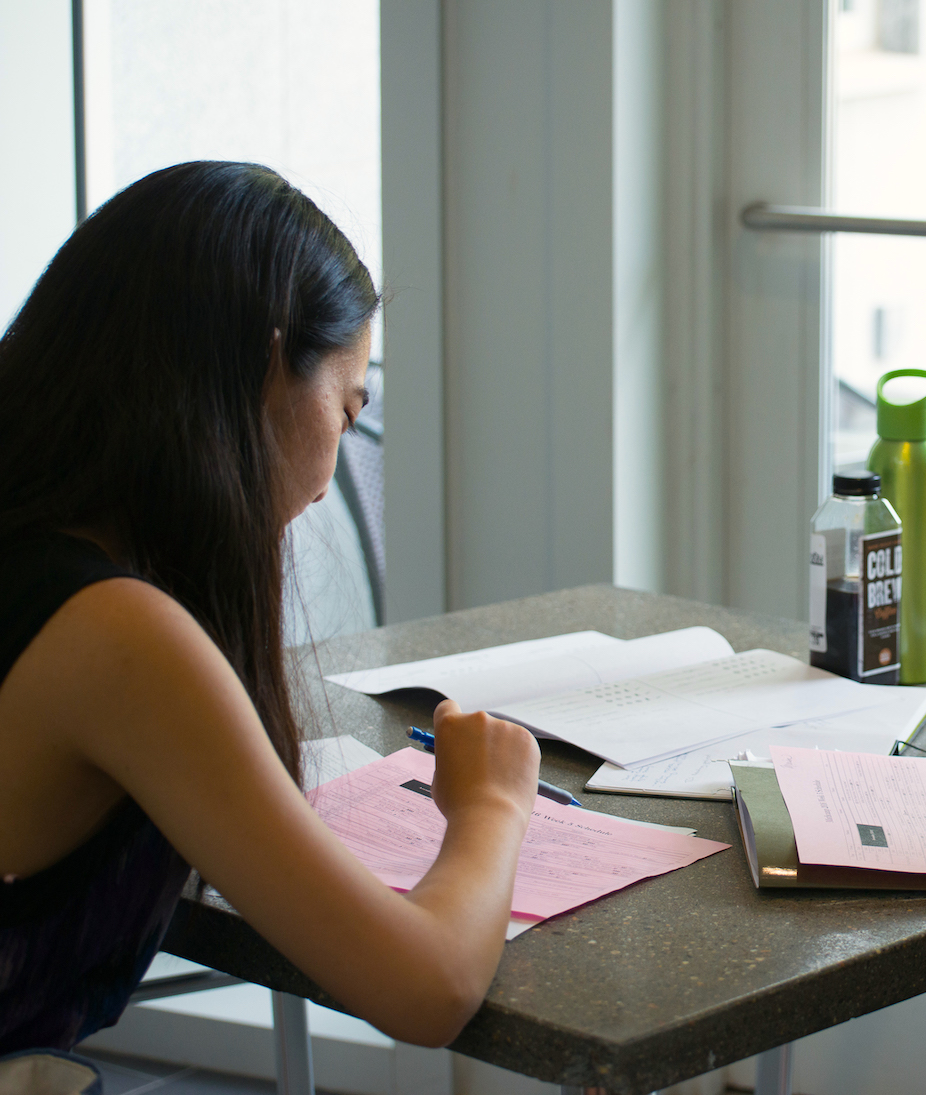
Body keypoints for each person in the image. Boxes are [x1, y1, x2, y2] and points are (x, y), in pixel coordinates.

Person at [0, 162, 541, 1078]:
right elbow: (430, 985)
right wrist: (491, 806)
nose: (331, 473)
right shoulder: (117, 638)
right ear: (265, 367)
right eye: (345, 404)